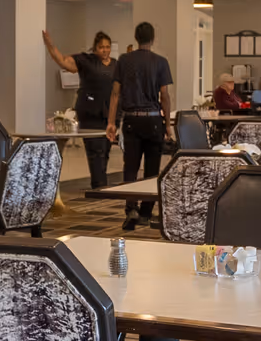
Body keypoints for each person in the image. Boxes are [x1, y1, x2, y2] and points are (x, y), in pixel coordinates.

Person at [106, 22, 173, 231]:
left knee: (131, 166)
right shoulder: (161, 62)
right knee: (152, 169)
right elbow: (164, 95)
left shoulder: (124, 61)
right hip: (153, 119)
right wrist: (168, 125)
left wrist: (111, 122)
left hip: (131, 119)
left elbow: (115, 93)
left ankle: (131, 209)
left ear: (136, 37)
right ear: (153, 39)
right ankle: (145, 213)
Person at [43, 28, 117, 188]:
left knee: (105, 151)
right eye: (101, 47)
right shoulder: (86, 61)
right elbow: (63, 60)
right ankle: (99, 186)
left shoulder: (115, 65)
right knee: (95, 151)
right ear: (95, 48)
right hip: (90, 114)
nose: (105, 50)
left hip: (109, 115)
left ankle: (101, 184)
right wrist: (50, 46)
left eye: (107, 47)